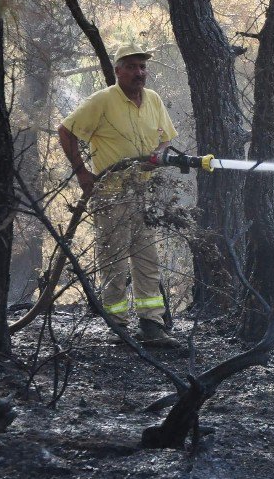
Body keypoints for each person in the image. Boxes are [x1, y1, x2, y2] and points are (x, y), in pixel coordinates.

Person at [57, 44, 181, 347]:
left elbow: (165, 140)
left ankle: (151, 325)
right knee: (114, 260)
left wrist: (158, 155)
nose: (139, 73)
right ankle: (117, 324)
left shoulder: (152, 100)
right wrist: (82, 173)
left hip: (142, 194)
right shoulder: (102, 101)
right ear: (118, 71)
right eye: (132, 67)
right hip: (112, 194)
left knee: (147, 260)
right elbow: (66, 131)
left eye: (142, 67)